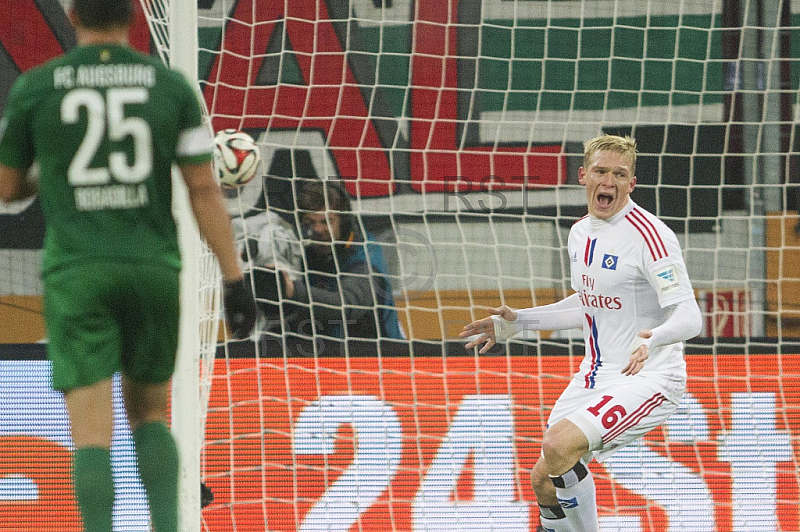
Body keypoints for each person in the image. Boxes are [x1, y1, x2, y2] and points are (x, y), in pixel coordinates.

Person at [0, 1, 256, 531]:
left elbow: (6, 190)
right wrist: (234, 279)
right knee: (151, 416)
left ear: (71, 16)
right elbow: (204, 192)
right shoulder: (169, 88)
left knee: (92, 431)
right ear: (134, 18)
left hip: (78, 273)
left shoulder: (39, 87)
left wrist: (52, 169)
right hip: (152, 270)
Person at [460, 134, 702, 531]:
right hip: (595, 374)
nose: (608, 181)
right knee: (543, 482)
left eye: (619, 174)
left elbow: (689, 315)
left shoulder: (651, 237)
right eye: (601, 171)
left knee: (558, 445)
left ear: (632, 183)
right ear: (583, 176)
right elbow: (588, 303)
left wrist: (651, 338)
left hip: (650, 377)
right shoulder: (579, 233)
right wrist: (514, 323)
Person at [250, 178, 403, 341]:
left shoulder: (365, 253)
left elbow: (346, 305)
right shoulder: (304, 251)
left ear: (343, 222)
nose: (317, 229)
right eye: (309, 222)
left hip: (379, 355)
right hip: (327, 354)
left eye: (326, 221)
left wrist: (292, 290)